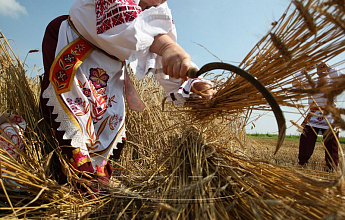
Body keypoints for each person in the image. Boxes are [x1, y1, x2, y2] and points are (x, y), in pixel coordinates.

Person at [40, 0, 215, 195]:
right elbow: (126, 32)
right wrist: (166, 47)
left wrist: (193, 84)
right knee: (75, 125)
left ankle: (100, 179)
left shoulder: (158, 8)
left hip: (109, 67)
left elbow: (160, 58)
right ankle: (78, 185)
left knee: (107, 122)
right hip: (75, 48)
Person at [293, 62, 343, 171]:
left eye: (324, 68)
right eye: (319, 68)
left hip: (329, 117)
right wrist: (304, 70)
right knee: (306, 142)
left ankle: (331, 169)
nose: (321, 70)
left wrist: (330, 68)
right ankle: (302, 164)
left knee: (331, 146)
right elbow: (295, 83)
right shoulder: (311, 83)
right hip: (313, 117)